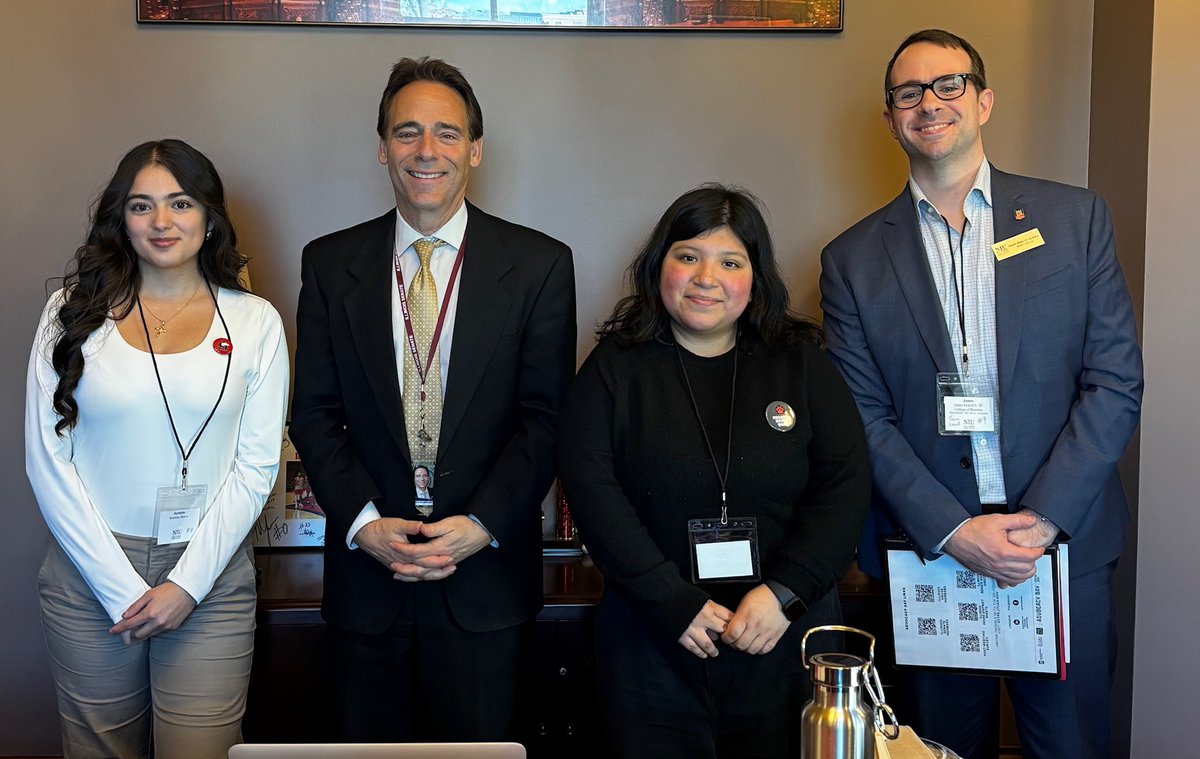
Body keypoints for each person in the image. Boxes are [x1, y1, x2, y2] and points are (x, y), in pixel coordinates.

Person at [819, 29, 1143, 759]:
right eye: (908, 92)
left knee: (1072, 748)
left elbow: (1115, 379)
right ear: (891, 117)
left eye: (948, 85)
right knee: (938, 750)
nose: (929, 103)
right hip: (935, 558)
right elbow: (861, 418)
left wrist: (1042, 519)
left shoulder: (1073, 219)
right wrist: (955, 531)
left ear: (984, 100)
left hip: (1061, 552)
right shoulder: (850, 259)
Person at [289, 57, 576, 742]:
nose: (427, 150)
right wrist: (362, 522)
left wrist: (482, 522)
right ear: (382, 146)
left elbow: (545, 420)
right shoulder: (331, 264)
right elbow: (315, 413)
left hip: (486, 583)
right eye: (408, 131)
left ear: (474, 149)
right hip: (368, 583)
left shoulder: (538, 265)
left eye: (447, 133)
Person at [558, 184, 870, 758]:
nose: (707, 278)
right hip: (652, 644)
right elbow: (592, 491)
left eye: (731, 261)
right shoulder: (614, 368)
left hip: (784, 637)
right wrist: (670, 602)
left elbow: (845, 486)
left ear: (755, 278)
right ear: (660, 266)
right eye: (688, 256)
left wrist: (783, 593)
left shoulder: (800, 362)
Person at [25, 139, 289, 758]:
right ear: (121, 218)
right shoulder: (69, 313)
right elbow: (46, 461)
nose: (162, 222)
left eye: (180, 203)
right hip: (88, 574)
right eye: (142, 206)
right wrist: (118, 585)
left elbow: (255, 468)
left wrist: (186, 585)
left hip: (211, 576)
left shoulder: (256, 322)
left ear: (209, 218)